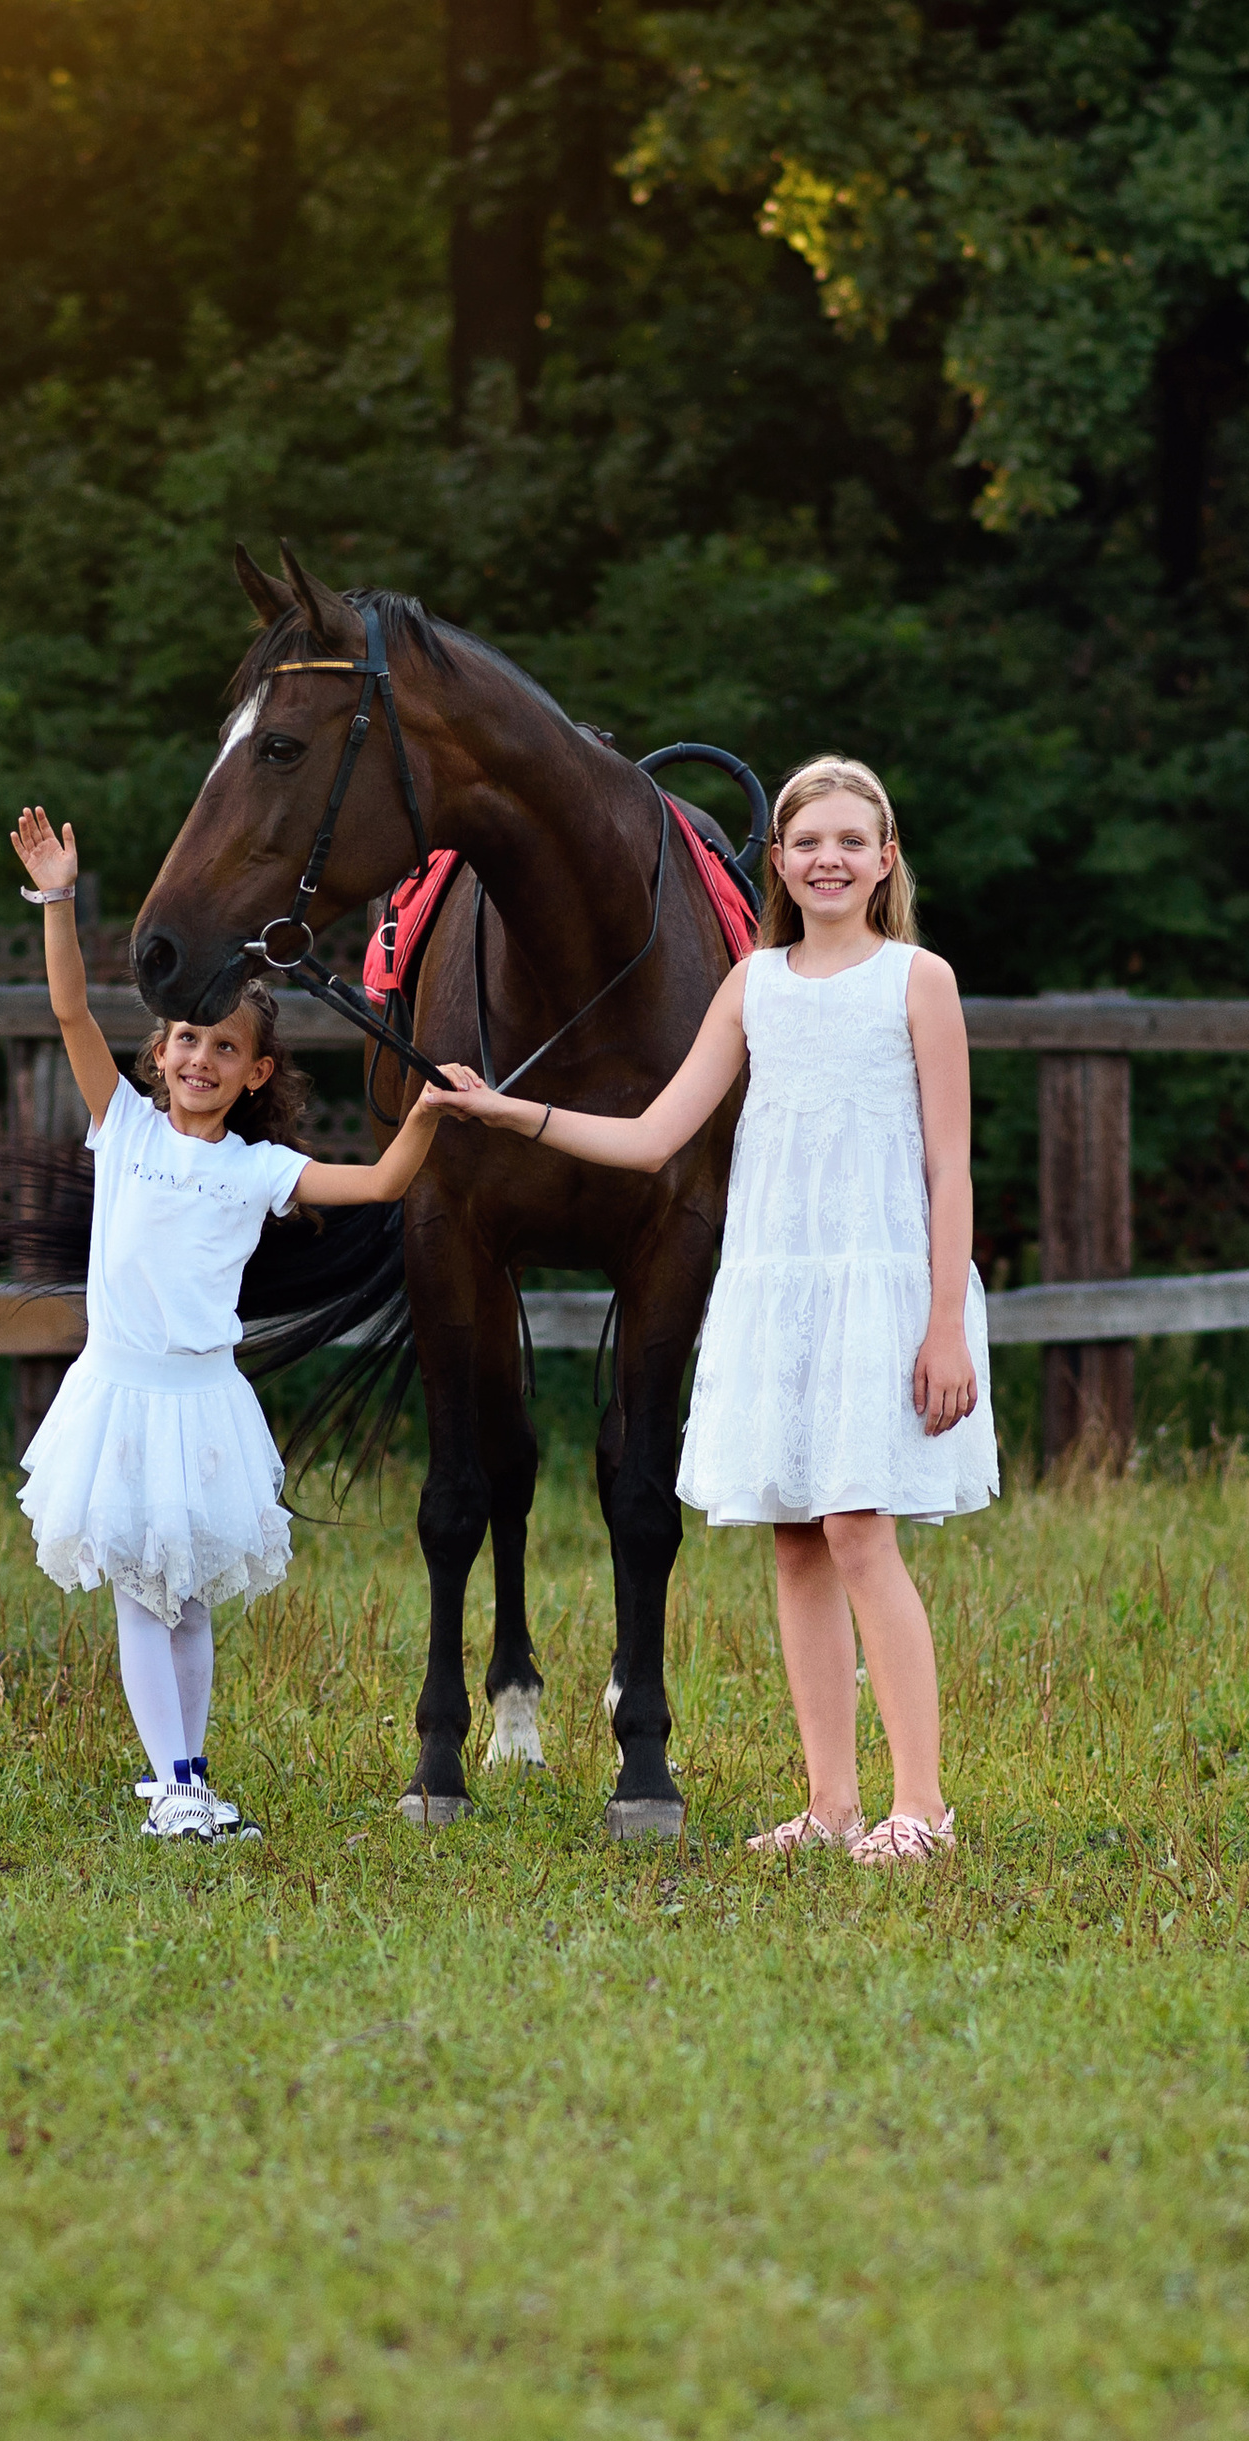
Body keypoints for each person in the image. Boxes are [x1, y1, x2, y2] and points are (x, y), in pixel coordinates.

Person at [421, 755, 998, 1860]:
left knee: (859, 1530)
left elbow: (951, 1166)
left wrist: (940, 1323)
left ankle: (919, 1805)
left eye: (851, 841)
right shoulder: (752, 984)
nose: (828, 859)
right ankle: (831, 1803)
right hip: (775, 1283)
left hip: (878, 1282)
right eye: (807, 842)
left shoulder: (917, 980)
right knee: (794, 1539)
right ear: (776, 861)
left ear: (885, 861)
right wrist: (509, 1113)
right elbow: (651, 1136)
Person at [10, 804, 467, 1843]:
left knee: (190, 1599)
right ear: (159, 1053)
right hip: (121, 1394)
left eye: (225, 1048)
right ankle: (171, 1786)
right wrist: (57, 898)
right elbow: (72, 1012)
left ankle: (193, 1773)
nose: (200, 1060)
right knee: (139, 1585)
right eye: (185, 1041)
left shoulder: (256, 1169)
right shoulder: (121, 1130)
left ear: (257, 1071)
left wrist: (437, 1106)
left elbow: (389, 1175)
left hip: (203, 1401)